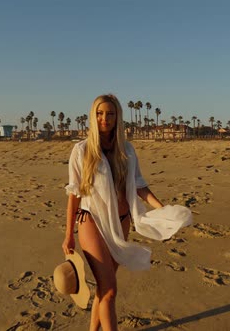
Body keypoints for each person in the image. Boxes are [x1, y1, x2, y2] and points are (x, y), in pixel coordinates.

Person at [62, 94, 166, 331]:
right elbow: (74, 195)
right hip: (92, 222)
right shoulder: (82, 150)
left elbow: (139, 186)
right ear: (93, 116)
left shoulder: (126, 150)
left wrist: (163, 210)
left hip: (121, 223)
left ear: (117, 117)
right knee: (110, 290)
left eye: (110, 114)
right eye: (99, 113)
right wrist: (68, 234)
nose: (104, 119)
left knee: (103, 288)